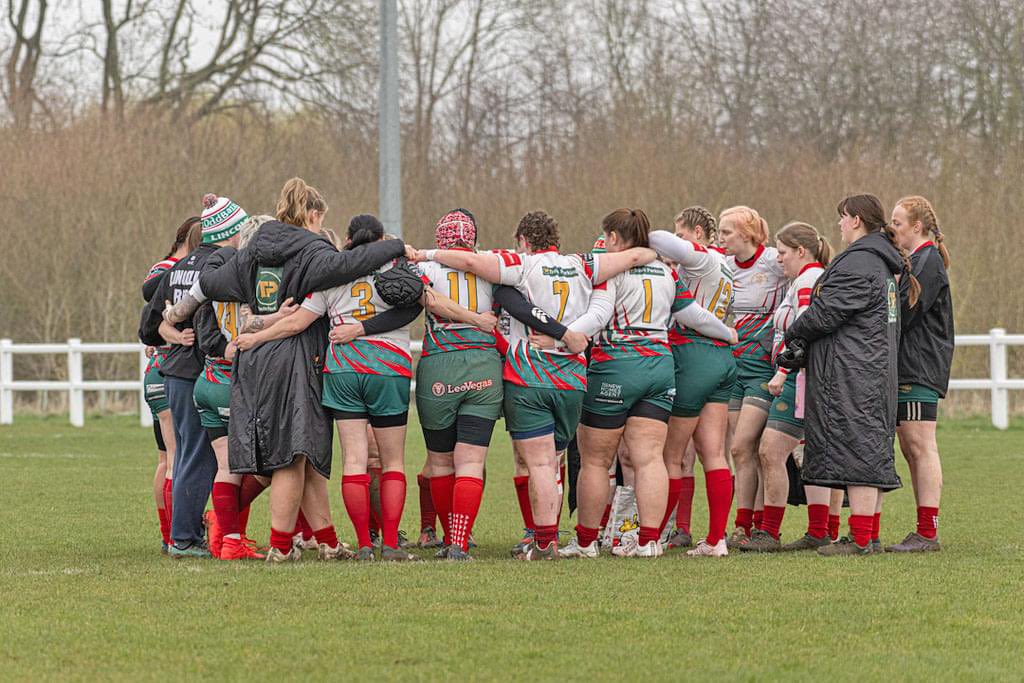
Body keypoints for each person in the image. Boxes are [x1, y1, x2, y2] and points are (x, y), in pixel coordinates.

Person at [163, 178, 409, 562]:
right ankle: (280, 546)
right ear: (313, 215)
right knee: (291, 458)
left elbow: (209, 284)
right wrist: (395, 247)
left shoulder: (250, 252)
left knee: (302, 457)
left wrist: (177, 312)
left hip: (254, 364)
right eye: (320, 218)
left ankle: (326, 541)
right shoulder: (311, 251)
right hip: (294, 360)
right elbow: (349, 264)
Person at [236, 214, 491, 560]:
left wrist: (257, 337)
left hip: (342, 369)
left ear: (348, 238)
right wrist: (477, 319)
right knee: (392, 463)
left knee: (354, 461)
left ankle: (364, 546)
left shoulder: (331, 274)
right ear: (382, 238)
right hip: (387, 368)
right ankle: (389, 543)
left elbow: (297, 322)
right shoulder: (395, 266)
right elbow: (430, 302)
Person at [413, 210, 655, 559]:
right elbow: (635, 256)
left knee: (535, 464)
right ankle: (584, 534)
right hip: (572, 378)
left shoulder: (519, 264)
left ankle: (542, 539)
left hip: (528, 376)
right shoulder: (583, 263)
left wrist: (424, 255)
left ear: (523, 241)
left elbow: (470, 261)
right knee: (558, 461)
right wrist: (652, 250)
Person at [555, 209, 735, 559]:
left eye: (608, 236)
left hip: (617, 366)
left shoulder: (613, 268)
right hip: (660, 367)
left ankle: (586, 542)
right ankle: (649, 541)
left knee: (595, 459)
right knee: (650, 457)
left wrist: (565, 335)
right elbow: (693, 315)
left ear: (616, 238)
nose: (606, 242)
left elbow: (599, 314)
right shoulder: (667, 271)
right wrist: (726, 332)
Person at [782, 193, 919, 556]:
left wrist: (794, 332)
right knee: (870, 451)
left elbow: (826, 313)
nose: (839, 225)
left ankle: (859, 541)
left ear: (856, 220)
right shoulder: (880, 262)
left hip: (854, 372)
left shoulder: (860, 262)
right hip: (871, 370)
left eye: (842, 218)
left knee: (859, 452)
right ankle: (867, 536)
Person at [140, 197, 253, 558]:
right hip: (200, 372)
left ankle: (185, 535)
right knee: (202, 458)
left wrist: (171, 334)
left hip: (173, 370)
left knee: (187, 456)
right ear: (232, 231)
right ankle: (186, 538)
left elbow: (148, 327)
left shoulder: (178, 267)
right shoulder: (221, 265)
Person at [192, 212, 304, 560]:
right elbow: (248, 324)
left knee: (227, 467)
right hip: (233, 381)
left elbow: (200, 324)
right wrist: (280, 317)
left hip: (207, 379)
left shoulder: (213, 282)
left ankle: (227, 538)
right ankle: (227, 534)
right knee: (276, 469)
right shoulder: (250, 281)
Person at [649, 207, 740, 557]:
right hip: (720, 358)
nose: (679, 243)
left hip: (693, 351)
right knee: (713, 453)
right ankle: (717, 539)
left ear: (699, 233)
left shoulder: (701, 258)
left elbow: (658, 239)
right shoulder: (726, 263)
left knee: (671, 455)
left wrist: (641, 239)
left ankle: (651, 537)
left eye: (683, 235)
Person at [735, 222, 830, 551]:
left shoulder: (807, 280)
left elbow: (806, 331)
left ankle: (769, 533)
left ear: (802, 252)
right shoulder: (805, 279)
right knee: (811, 454)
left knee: (770, 451)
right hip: (801, 378)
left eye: (784, 252)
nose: (779, 259)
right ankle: (820, 530)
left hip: (798, 379)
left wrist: (783, 374)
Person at [887, 195, 953, 552]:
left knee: (919, 445)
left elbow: (906, 313)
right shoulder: (914, 261)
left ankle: (928, 532)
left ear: (917, 226)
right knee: (910, 447)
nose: (892, 228)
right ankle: (924, 528)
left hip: (919, 366)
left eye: (897, 223)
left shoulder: (926, 262)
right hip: (908, 366)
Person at [719, 206, 787, 546]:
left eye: (726, 232)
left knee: (743, 444)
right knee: (742, 452)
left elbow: (808, 275)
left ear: (747, 233)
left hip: (763, 369)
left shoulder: (774, 261)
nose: (721, 238)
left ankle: (754, 525)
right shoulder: (725, 266)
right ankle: (746, 527)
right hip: (735, 366)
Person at [141, 216, 197, 552]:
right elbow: (148, 294)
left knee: (167, 457)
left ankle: (169, 533)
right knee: (176, 456)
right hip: (166, 369)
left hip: (158, 370)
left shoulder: (174, 269)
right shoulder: (168, 268)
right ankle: (176, 533)